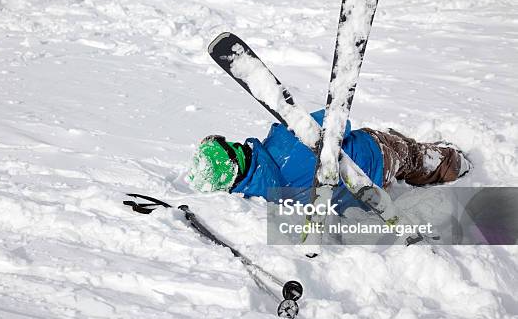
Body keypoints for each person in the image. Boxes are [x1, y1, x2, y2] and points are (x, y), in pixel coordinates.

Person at [187, 109, 472, 204]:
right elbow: (338, 120)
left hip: (358, 193)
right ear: (237, 150)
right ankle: (454, 163)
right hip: (375, 154)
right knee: (411, 155)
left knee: (397, 150)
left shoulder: (259, 197)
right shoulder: (284, 141)